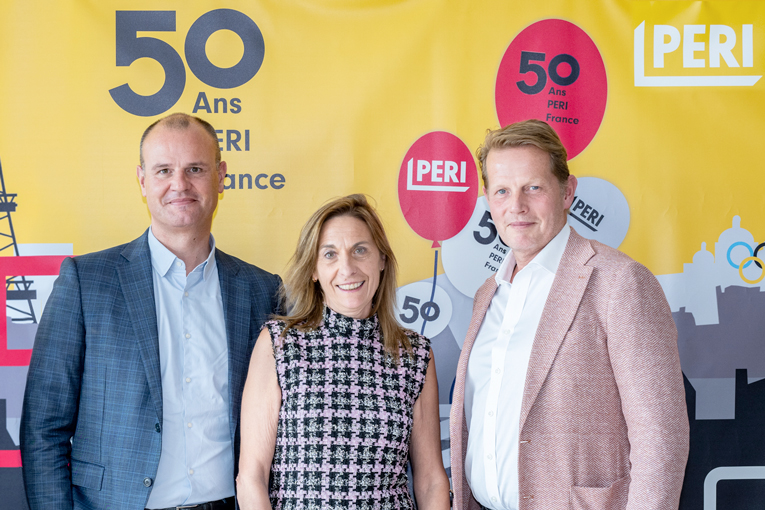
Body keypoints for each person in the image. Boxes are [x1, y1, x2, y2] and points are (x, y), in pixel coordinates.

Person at [20, 113, 282, 510]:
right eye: (164, 171)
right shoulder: (85, 282)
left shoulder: (263, 291)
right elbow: (44, 426)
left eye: (195, 168)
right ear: (143, 181)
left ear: (221, 175)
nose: (180, 184)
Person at [450, 120, 689, 510]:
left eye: (534, 187)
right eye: (502, 191)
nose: (518, 206)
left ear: (567, 192)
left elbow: (661, 438)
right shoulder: (487, 296)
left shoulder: (620, 283)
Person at [236, 194, 450, 509]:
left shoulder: (414, 355)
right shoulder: (279, 343)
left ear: (381, 259)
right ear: (313, 269)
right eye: (330, 254)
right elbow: (251, 476)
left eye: (360, 250)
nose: (347, 268)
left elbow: (431, 480)